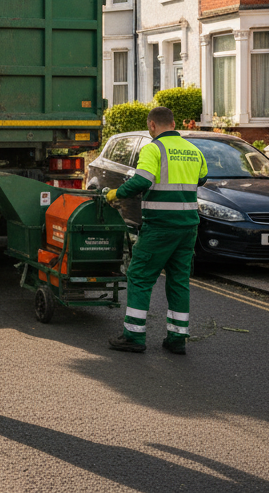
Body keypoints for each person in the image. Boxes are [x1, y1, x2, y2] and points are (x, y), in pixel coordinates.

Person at [102, 106, 208, 355]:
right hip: (188, 226)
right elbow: (202, 179)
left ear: (152, 125)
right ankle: (177, 338)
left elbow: (142, 181)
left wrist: (114, 193)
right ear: (173, 123)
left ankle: (134, 336)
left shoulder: (154, 149)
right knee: (179, 280)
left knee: (139, 276)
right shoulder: (194, 150)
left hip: (161, 226)